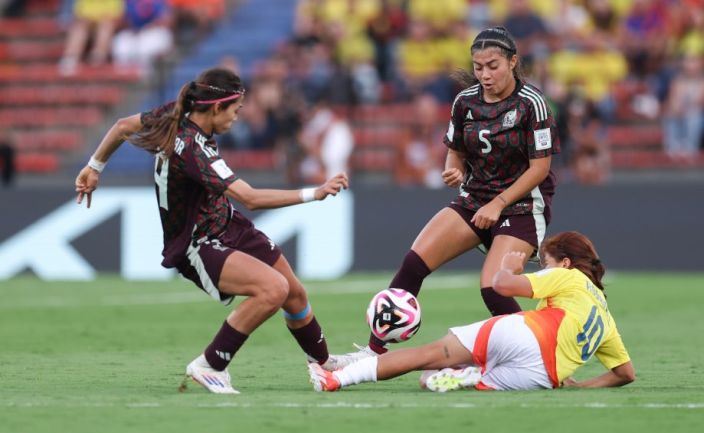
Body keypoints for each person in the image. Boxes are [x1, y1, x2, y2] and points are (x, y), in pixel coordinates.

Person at [74, 68, 349, 394]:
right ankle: (211, 364)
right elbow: (251, 197)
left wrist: (94, 166)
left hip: (227, 224)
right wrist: (313, 193)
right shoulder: (193, 149)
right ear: (217, 107)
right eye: (236, 110)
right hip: (198, 243)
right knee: (273, 290)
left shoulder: (175, 115)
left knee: (293, 292)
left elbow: (122, 126)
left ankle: (322, 363)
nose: (237, 118)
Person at [329, 26, 560, 365]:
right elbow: (455, 149)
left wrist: (498, 205)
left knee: (494, 287)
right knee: (413, 264)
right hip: (474, 199)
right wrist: (453, 168)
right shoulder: (465, 101)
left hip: (522, 206)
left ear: (513, 62)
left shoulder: (532, 104)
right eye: (478, 67)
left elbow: (539, 169)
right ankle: (371, 353)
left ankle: (535, 358)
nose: (484, 74)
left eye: (493, 66)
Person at [309, 231, 635, 392]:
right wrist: (582, 386)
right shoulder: (605, 317)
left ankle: (336, 379)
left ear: (564, 262)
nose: (542, 267)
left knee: (427, 355)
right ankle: (473, 375)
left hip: (524, 333)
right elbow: (625, 374)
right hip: (541, 376)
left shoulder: (567, 275)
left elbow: (502, 286)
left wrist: (511, 265)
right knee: (428, 381)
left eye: (544, 262)